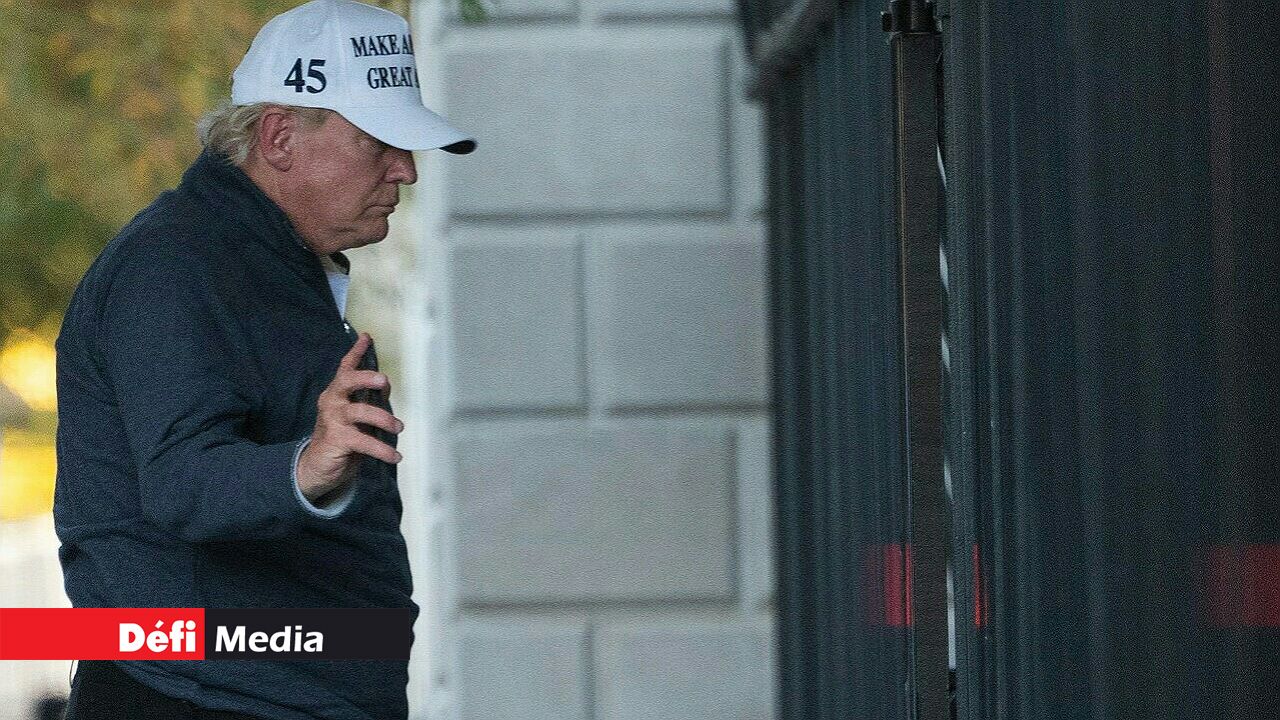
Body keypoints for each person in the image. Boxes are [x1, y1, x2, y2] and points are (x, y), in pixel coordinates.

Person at [52, 1, 474, 718]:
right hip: (200, 697)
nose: (405, 170)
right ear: (279, 138)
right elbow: (184, 482)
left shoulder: (254, 262)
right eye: (380, 142)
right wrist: (305, 469)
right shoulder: (175, 267)